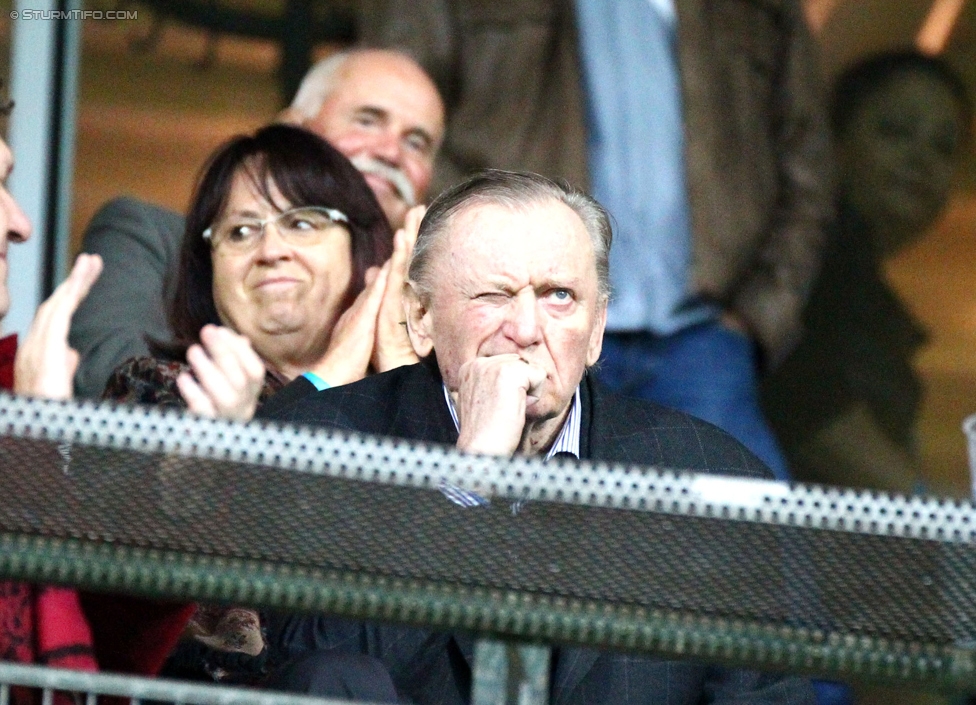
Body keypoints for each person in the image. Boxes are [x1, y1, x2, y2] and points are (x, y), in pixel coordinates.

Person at [257, 170, 816, 705]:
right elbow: (316, 672)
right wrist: (466, 480)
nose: (525, 330)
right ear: (421, 316)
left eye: (558, 297)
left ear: (596, 330)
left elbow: (763, 695)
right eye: (492, 296)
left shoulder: (710, 475)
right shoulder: (318, 446)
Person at [355, 0, 834, 481]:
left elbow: (807, 166)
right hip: (516, 325)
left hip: (701, 338)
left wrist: (756, 317)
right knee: (483, 510)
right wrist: (463, 277)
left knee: (763, 534)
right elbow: (397, 116)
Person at [100, 123, 412, 696]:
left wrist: (399, 389)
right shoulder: (163, 392)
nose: (271, 250)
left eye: (302, 222)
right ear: (207, 269)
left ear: (366, 253)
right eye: (241, 231)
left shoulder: (422, 405)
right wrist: (333, 370)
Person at [69, 48, 445, 399]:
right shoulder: (150, 235)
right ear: (291, 126)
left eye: (416, 142)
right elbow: (115, 388)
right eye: (367, 120)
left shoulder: (434, 306)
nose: (391, 152)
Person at [0, 132, 193, 694]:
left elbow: (105, 654)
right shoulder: (31, 398)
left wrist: (188, 483)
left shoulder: (22, 381)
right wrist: (32, 443)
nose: (21, 224)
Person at [762, 50, 974, 495]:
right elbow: (803, 396)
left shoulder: (858, 284)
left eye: (943, 146)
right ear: (833, 141)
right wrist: (928, 512)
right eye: (894, 131)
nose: (920, 159)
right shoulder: (803, 259)